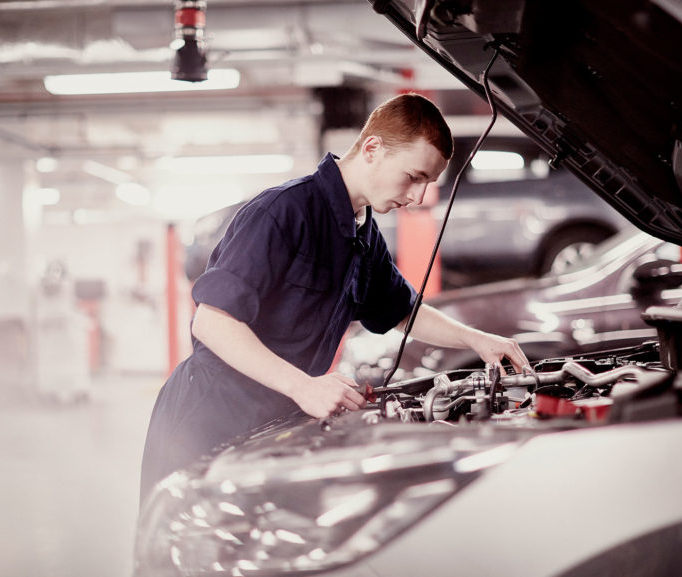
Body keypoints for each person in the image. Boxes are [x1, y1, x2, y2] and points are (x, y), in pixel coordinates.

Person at [139, 93, 529, 504]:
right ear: (373, 149)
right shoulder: (283, 211)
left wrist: (478, 340)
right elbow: (212, 321)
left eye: (428, 184)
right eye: (413, 177)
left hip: (274, 418)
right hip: (208, 415)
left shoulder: (364, 233)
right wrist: (303, 386)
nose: (417, 197)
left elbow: (403, 312)